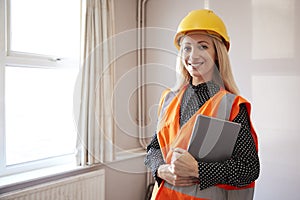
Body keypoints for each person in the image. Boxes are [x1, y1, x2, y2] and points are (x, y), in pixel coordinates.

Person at [144, 9, 260, 200]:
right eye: (187, 48)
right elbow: (154, 149)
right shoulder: (169, 99)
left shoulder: (232, 106)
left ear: (217, 54)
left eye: (203, 47)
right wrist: (160, 169)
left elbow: (249, 168)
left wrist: (198, 169)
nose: (193, 55)